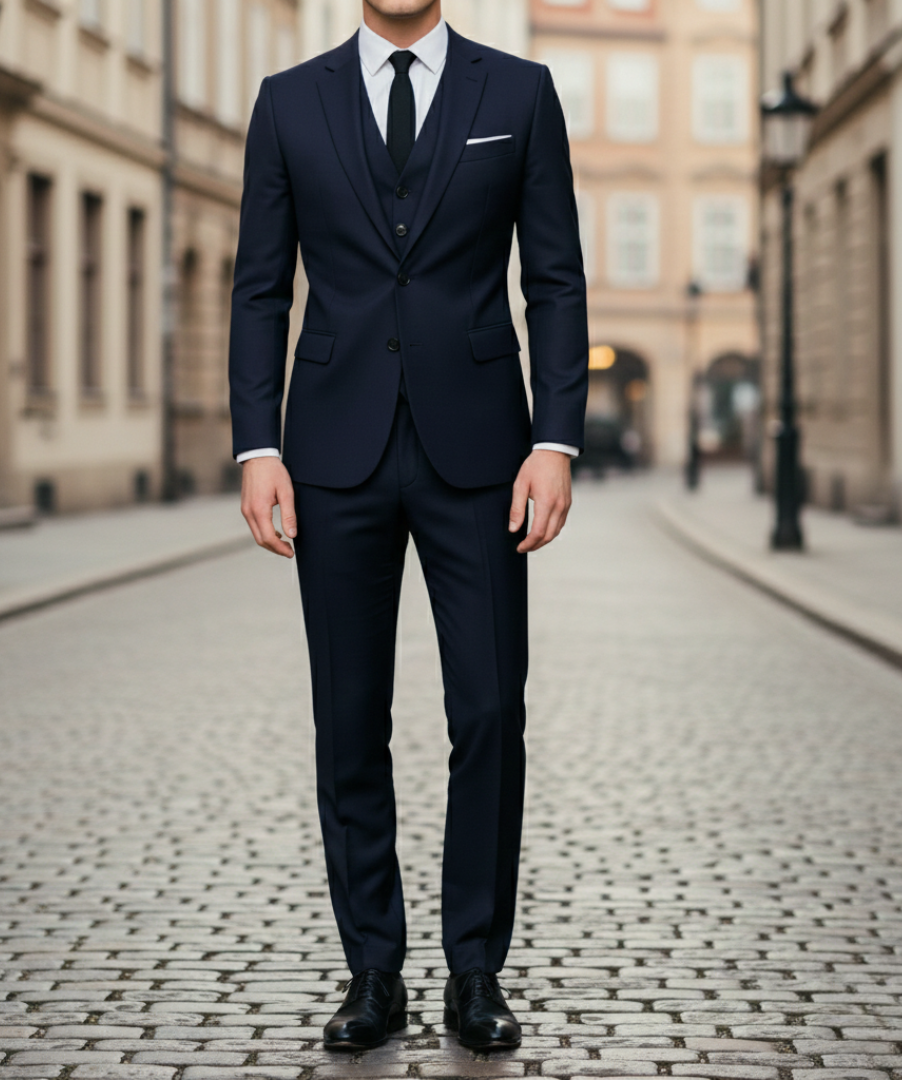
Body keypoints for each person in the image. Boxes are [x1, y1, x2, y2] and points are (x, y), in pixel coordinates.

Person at [228, 0, 589, 1052]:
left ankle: (476, 969)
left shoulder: (517, 94)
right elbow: (260, 289)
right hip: (331, 453)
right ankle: (372, 970)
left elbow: (554, 277)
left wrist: (555, 439)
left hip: (480, 453)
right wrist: (258, 448)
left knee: (487, 713)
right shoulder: (288, 104)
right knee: (350, 723)